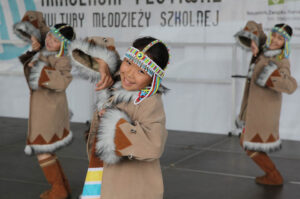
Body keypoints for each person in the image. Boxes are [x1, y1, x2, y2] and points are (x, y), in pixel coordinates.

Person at [69, 36, 169, 199]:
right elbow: (78, 51)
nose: (129, 74)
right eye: (128, 63)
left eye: (141, 71)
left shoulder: (149, 102)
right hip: (102, 171)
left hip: (129, 185)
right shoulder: (117, 79)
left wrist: (115, 124)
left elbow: (154, 145)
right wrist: (102, 64)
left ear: (154, 78)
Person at [16, 20, 76, 198]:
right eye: (50, 35)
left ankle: (58, 190)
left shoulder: (63, 60)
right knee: (47, 150)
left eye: (56, 40)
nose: (49, 40)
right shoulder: (45, 53)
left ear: (63, 45)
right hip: (42, 108)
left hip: (49, 111)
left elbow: (63, 81)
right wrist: (34, 52)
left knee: (42, 150)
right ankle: (62, 186)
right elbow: (29, 72)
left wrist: (39, 69)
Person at [235, 22, 297, 186]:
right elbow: (254, 28)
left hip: (265, 111)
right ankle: (272, 174)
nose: (276, 40)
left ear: (286, 42)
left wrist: (269, 73)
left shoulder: (282, 60)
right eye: (274, 36)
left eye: (280, 39)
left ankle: (273, 175)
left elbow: (288, 85)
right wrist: (256, 54)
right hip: (253, 106)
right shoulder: (264, 51)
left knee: (247, 143)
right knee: (247, 143)